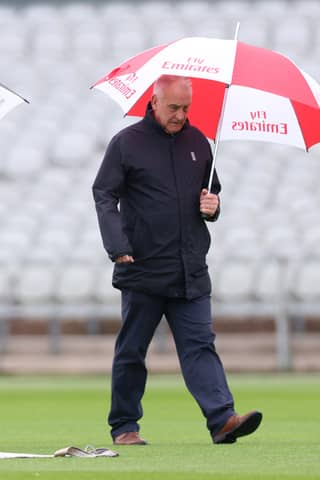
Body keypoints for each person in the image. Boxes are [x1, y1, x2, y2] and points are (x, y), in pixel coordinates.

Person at [92, 75, 262, 446]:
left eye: (186, 108)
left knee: (200, 344)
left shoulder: (199, 142)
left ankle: (222, 419)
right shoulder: (126, 144)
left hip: (190, 268)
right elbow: (104, 194)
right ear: (154, 102)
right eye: (173, 108)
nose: (180, 115)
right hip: (141, 265)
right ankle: (124, 426)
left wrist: (213, 207)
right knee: (133, 350)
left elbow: (210, 193)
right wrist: (117, 246)